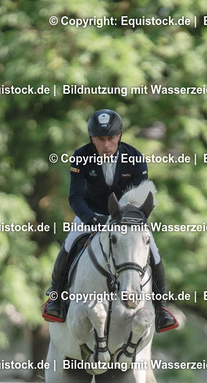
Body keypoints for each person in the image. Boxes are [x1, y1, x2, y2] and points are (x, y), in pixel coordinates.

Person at [42, 108, 178, 333]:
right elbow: (75, 197)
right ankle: (55, 297)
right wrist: (91, 218)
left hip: (127, 219)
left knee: (152, 249)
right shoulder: (80, 157)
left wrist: (128, 220)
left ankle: (161, 307)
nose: (106, 144)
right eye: (100, 139)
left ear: (119, 136)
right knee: (70, 242)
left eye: (111, 138)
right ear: (92, 138)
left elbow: (142, 197)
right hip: (91, 215)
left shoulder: (135, 157)